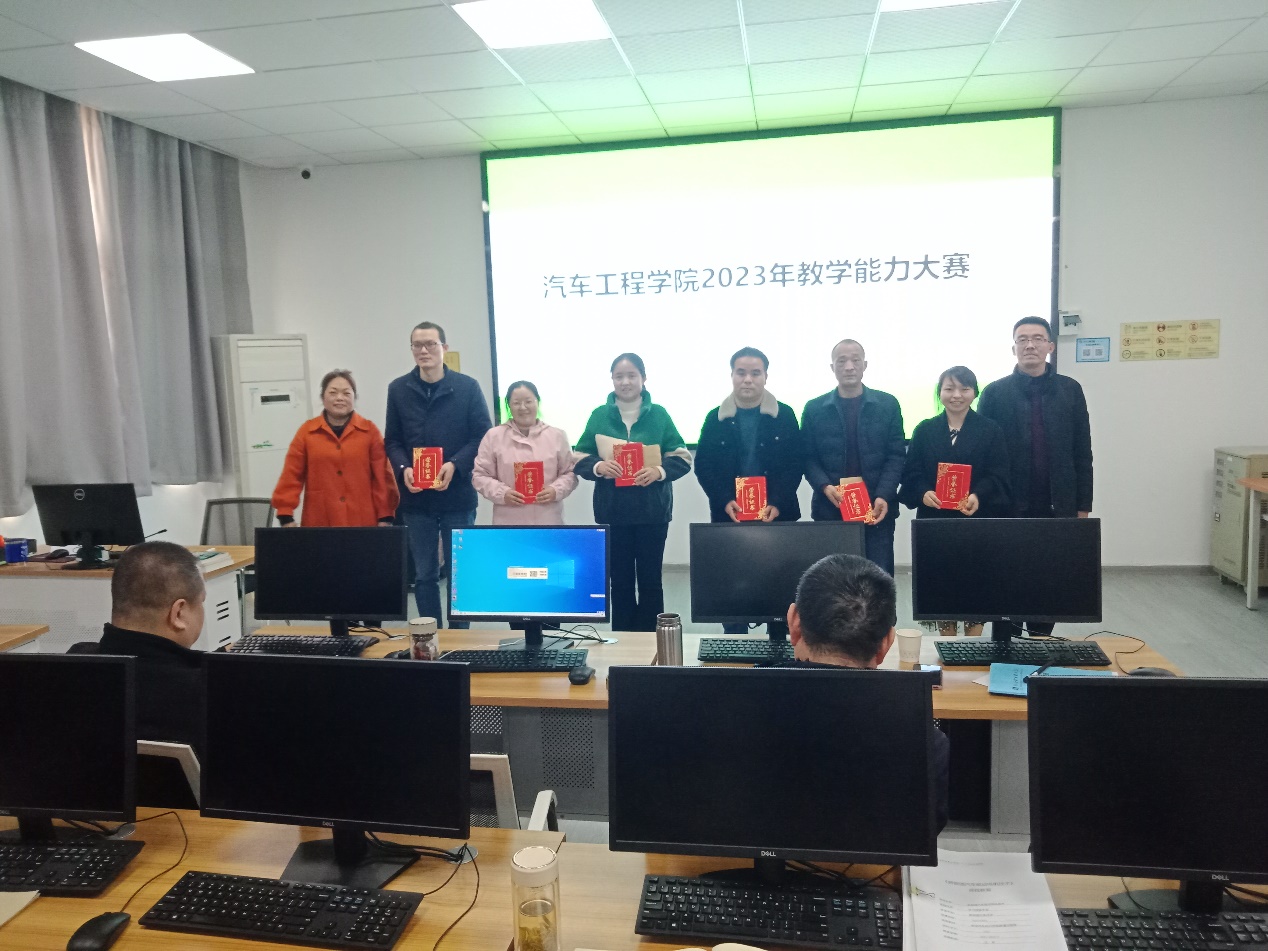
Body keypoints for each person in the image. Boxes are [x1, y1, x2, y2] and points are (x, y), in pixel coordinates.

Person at [785, 553, 950, 831]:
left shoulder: (734, 713)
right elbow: (928, 829)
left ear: (794, 623)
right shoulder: (927, 743)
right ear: (886, 643)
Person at [978, 316, 1093, 637]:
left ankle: (1040, 643)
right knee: (1006, 578)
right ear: (1013, 347)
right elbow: (984, 454)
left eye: (1038, 338)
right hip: (1007, 506)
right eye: (1022, 339)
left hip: (1058, 505)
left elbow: (1082, 452)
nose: (1030, 345)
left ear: (1050, 346)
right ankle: (1004, 646)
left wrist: (1083, 506)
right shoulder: (995, 393)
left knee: (1049, 579)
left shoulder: (1070, 390)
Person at [384, 322, 492, 628]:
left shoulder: (467, 387)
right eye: (417, 345)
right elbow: (392, 440)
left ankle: (460, 639)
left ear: (444, 347)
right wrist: (403, 468)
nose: (424, 350)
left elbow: (482, 435)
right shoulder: (398, 389)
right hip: (416, 499)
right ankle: (430, 636)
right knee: (425, 574)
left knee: (461, 573)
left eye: (430, 344)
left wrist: (455, 464)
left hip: (457, 495)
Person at [575, 353, 692, 632]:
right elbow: (579, 457)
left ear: (643, 378)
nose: (625, 382)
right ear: (612, 380)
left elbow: (682, 458)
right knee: (620, 582)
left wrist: (658, 471)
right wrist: (599, 467)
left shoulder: (659, 415)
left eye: (631, 376)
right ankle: (624, 642)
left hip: (653, 513)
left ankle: (653, 640)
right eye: (619, 376)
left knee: (651, 580)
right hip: (613, 512)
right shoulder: (599, 415)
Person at [695, 346, 803, 633]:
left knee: (780, 584)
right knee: (733, 585)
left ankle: (779, 643)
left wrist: (777, 502)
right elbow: (704, 466)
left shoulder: (784, 415)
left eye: (755, 373)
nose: (747, 379)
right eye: (741, 372)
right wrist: (724, 500)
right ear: (731, 375)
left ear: (766, 376)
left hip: (777, 516)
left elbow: (795, 463)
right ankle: (735, 643)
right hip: (731, 517)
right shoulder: (715, 418)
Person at [91, 542, 207, 807]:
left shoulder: (68, 673)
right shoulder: (208, 689)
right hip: (195, 830)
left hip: (88, 825)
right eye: (201, 603)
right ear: (178, 613)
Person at [899, 366, 1012, 636]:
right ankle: (947, 643)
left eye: (964, 388)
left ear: (975, 393)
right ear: (940, 393)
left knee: (977, 581)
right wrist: (923, 492)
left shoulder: (990, 430)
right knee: (941, 583)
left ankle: (972, 644)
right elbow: (911, 473)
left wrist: (977, 495)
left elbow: (999, 473)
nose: (956, 395)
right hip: (935, 521)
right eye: (949, 389)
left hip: (976, 520)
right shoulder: (924, 429)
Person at [802, 339, 907, 575]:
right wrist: (824, 486)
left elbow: (896, 455)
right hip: (831, 509)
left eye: (855, 360)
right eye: (842, 361)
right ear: (832, 367)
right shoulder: (814, 408)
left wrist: (884, 495)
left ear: (865, 365)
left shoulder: (887, 404)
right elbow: (808, 457)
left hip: (877, 509)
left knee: (878, 579)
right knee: (833, 581)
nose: (849, 366)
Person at [271, 369, 399, 527]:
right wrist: (285, 514)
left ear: (354, 398)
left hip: (363, 522)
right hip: (319, 522)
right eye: (333, 392)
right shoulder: (306, 432)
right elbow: (291, 474)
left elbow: (382, 477)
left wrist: (385, 516)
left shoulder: (370, 431)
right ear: (322, 397)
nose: (340, 398)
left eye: (346, 393)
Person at [472, 380, 578, 525]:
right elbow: (480, 475)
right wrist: (502, 493)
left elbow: (570, 473)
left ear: (538, 402)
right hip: (508, 520)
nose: (523, 407)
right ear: (508, 405)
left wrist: (555, 490)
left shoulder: (557, 436)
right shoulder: (493, 436)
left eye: (528, 401)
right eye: (516, 403)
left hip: (548, 519)